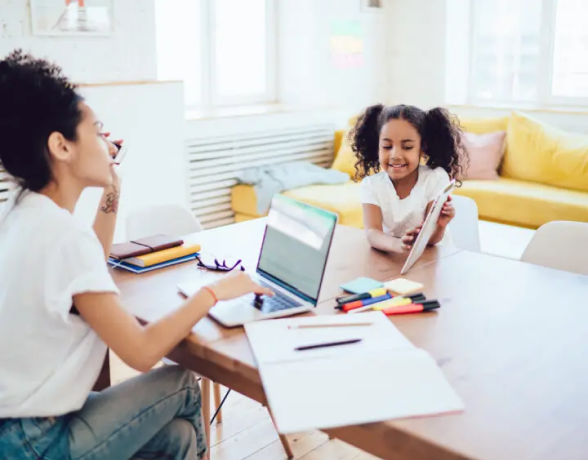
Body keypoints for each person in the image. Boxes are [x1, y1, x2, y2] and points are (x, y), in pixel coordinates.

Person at [0, 50, 272, 460]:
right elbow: (142, 353)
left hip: (18, 429)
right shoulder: (60, 234)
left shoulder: (23, 214)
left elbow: (88, 255)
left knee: (177, 436)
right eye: (97, 131)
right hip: (36, 442)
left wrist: (112, 189)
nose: (107, 143)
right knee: (179, 382)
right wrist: (213, 293)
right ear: (61, 146)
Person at [349, 104, 469, 253]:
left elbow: (432, 239)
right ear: (377, 146)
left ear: (422, 147)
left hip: (435, 257)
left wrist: (441, 225)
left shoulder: (435, 178)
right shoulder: (371, 185)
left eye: (407, 147)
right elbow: (372, 233)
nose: (396, 155)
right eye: (387, 146)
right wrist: (397, 245)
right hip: (395, 257)